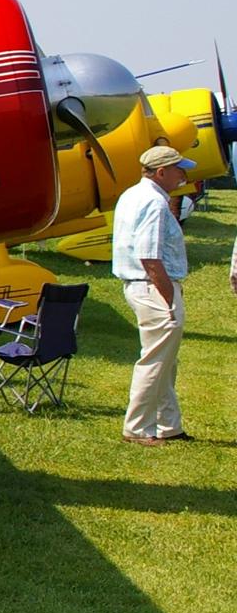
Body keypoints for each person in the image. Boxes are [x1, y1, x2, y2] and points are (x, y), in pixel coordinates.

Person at [113, 145, 195, 445]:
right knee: (155, 361)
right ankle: (137, 427)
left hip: (143, 285)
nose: (183, 174)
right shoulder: (154, 202)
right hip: (153, 286)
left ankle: (168, 425)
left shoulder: (133, 195)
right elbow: (149, 257)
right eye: (178, 169)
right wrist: (169, 298)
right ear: (161, 172)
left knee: (165, 360)